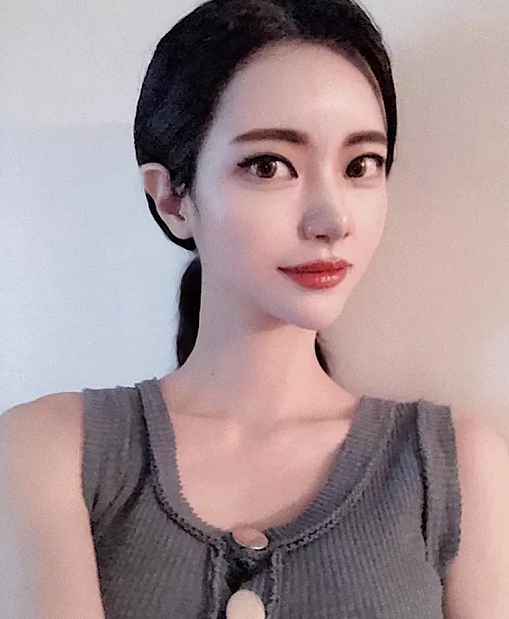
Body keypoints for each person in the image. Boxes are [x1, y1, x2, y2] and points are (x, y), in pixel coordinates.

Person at [1, 0, 508, 617]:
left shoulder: (457, 469)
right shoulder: (54, 451)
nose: (332, 219)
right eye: (269, 166)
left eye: (360, 166)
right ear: (172, 200)